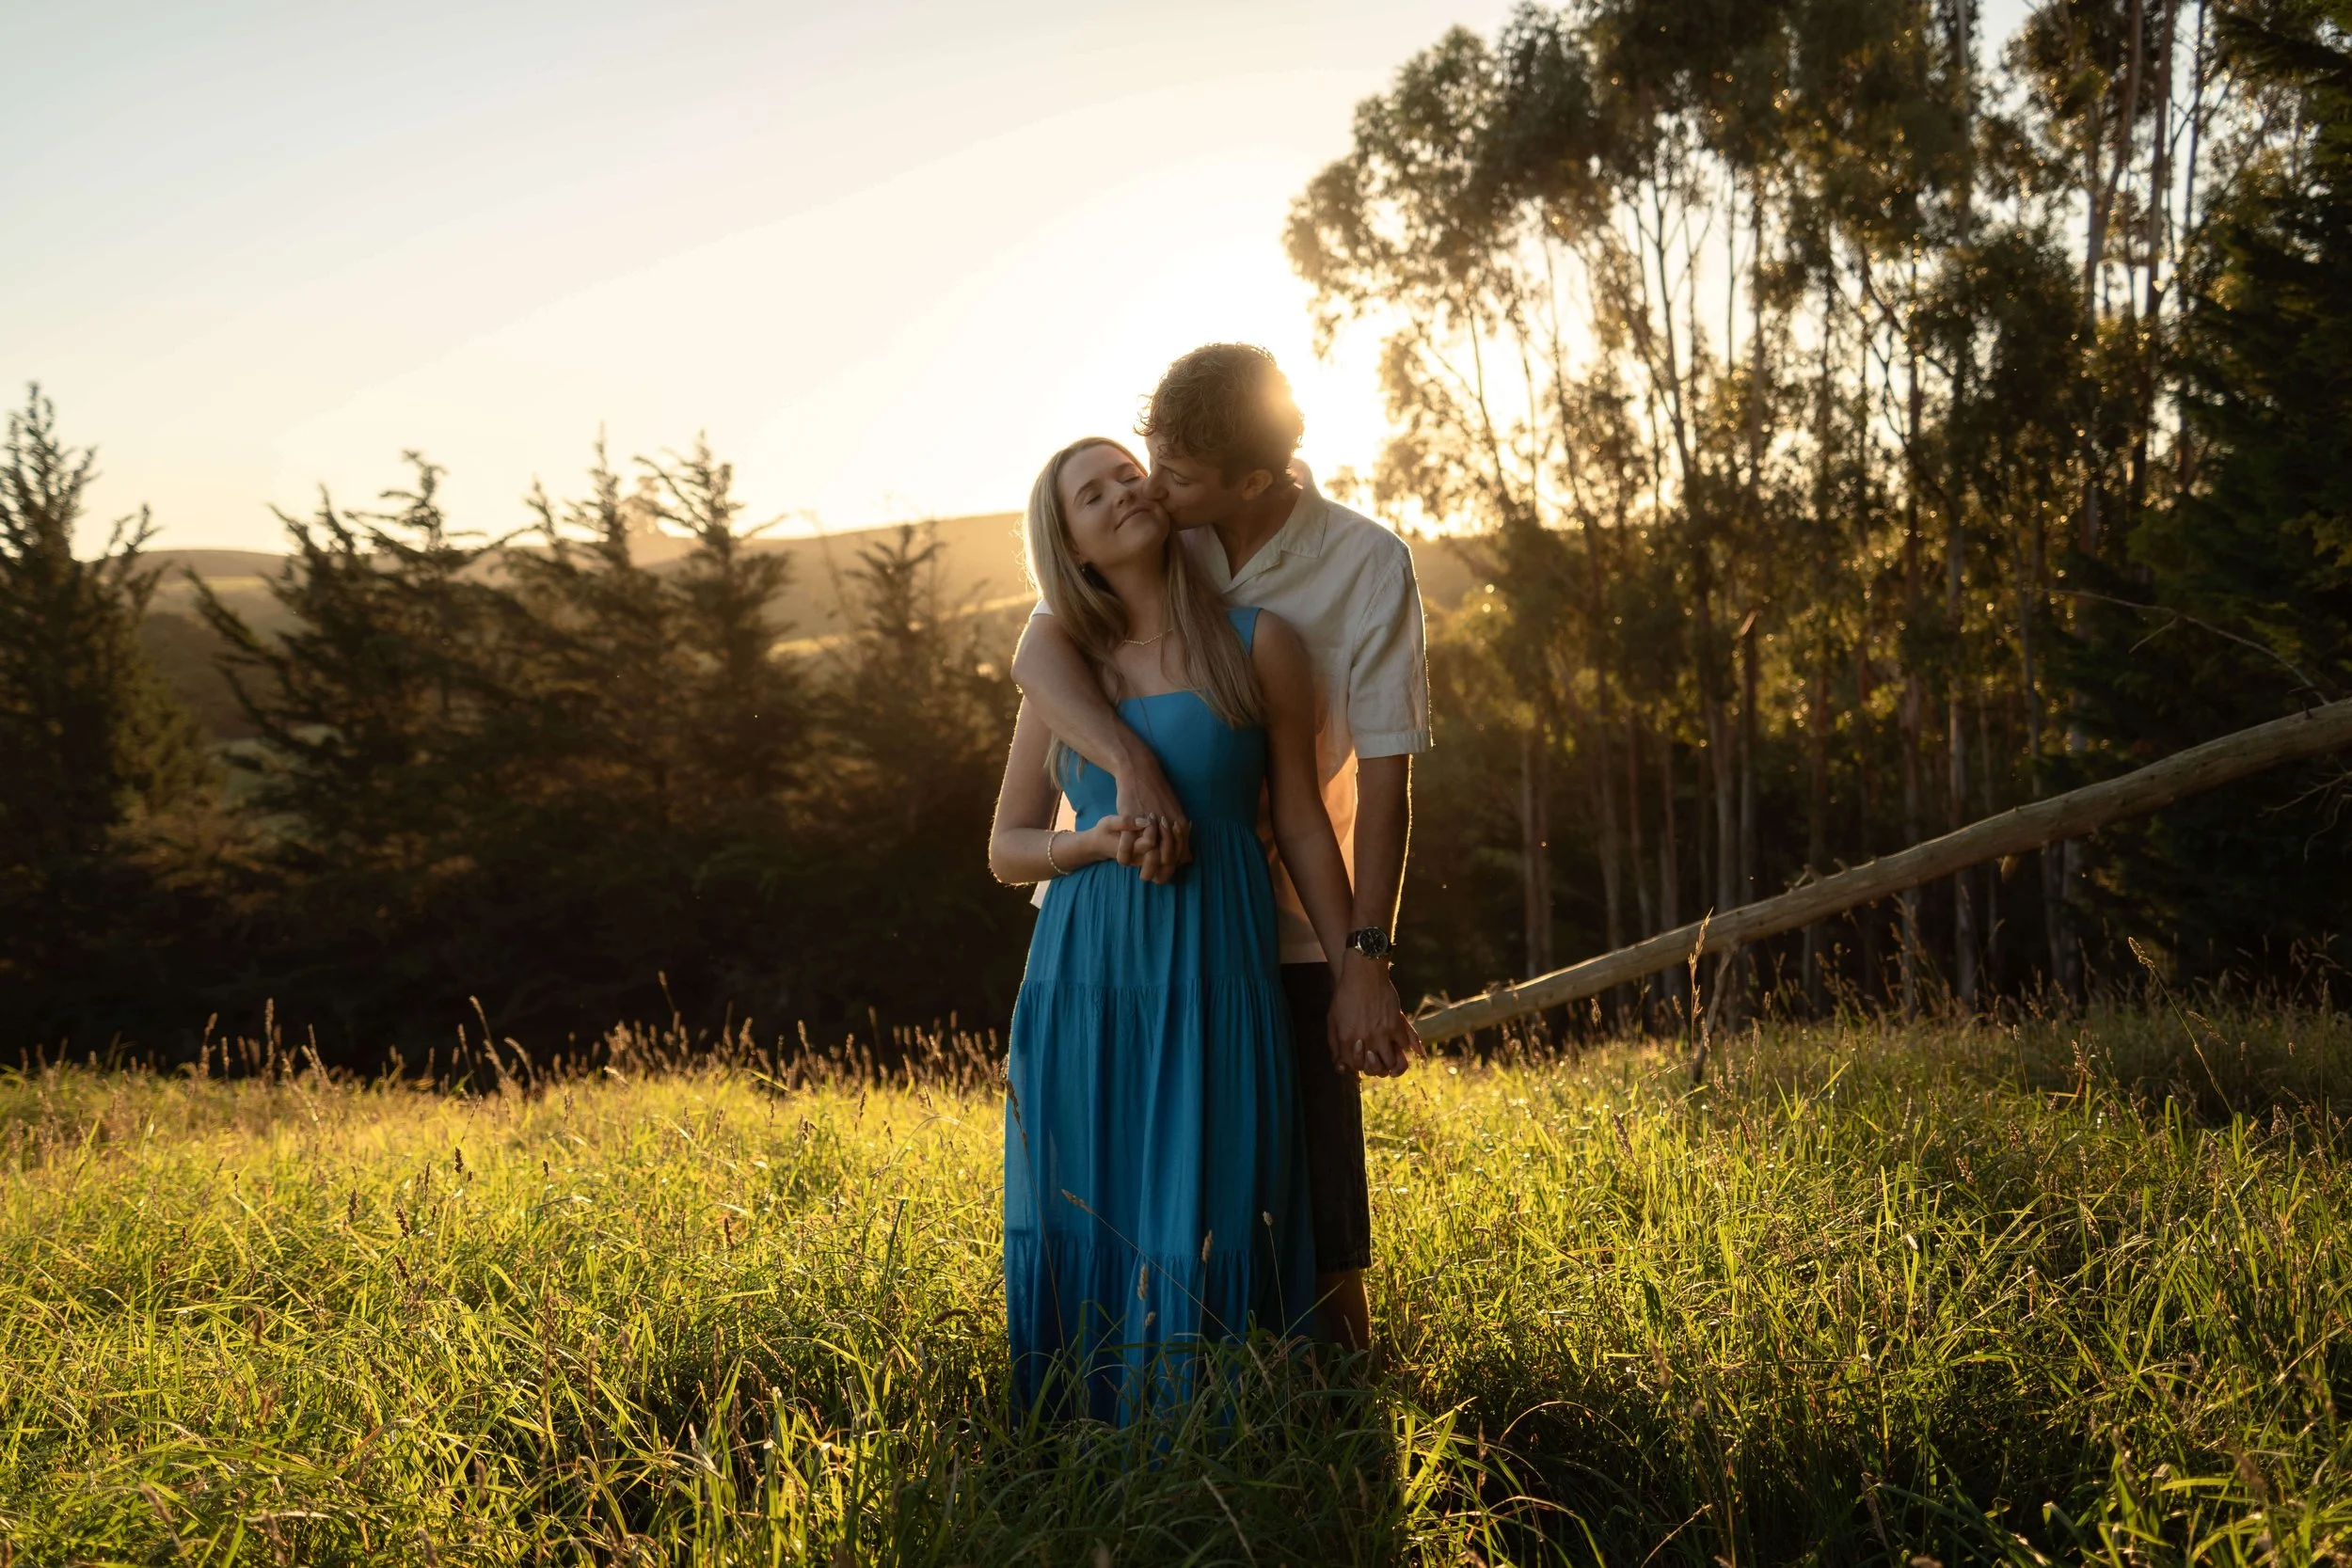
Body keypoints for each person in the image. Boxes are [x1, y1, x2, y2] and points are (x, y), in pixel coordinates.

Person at [1011, 344, 1429, 1353]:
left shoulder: (1362, 565)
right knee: (1114, 1197)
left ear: (1253, 481)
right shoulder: (1160, 531)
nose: (1146, 486)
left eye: (1169, 475)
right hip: (1110, 931)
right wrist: (1129, 766)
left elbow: (1380, 785)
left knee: (1311, 1202)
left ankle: (1330, 1429)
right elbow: (1039, 644)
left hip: (1273, 923)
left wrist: (1362, 962)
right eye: (1134, 468)